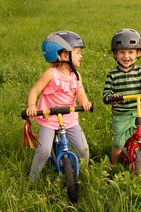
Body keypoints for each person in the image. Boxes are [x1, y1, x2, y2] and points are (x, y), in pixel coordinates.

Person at [26, 30, 92, 182]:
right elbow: (34, 91)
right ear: (63, 56)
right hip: (50, 119)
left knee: (84, 149)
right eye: (77, 52)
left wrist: (84, 102)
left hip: (70, 120)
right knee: (43, 151)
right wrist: (31, 106)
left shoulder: (76, 75)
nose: (80, 56)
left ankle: (84, 174)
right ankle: (32, 180)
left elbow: (80, 92)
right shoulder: (50, 74)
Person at [103, 29, 141, 165]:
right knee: (118, 142)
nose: (126, 56)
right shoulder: (112, 74)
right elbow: (106, 93)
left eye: (130, 52)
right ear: (115, 54)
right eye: (121, 52)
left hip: (139, 112)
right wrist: (112, 98)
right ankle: (114, 164)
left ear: (138, 53)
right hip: (121, 115)